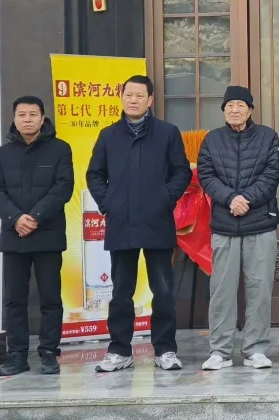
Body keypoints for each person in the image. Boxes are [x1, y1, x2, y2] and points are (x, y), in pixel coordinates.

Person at [86, 75, 192, 373]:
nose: (133, 100)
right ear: (121, 97)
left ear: (150, 100)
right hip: (121, 222)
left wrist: (165, 198)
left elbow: (181, 172)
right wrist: (109, 203)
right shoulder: (109, 135)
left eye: (139, 95)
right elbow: (94, 174)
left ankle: (165, 349)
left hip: (157, 221)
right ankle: (119, 351)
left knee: (163, 290)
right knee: (121, 291)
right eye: (128, 94)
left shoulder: (167, 133)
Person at [197, 86, 279, 371]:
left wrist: (246, 199)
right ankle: (220, 351)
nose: (235, 109)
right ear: (224, 110)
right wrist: (230, 199)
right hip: (224, 225)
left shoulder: (268, 137)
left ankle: (255, 349)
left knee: (259, 289)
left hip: (260, 223)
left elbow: (272, 174)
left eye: (240, 105)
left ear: (250, 109)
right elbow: (206, 174)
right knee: (221, 290)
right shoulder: (212, 139)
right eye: (230, 105)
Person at [0, 96, 74, 376]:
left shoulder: (60, 149)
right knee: (14, 299)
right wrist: (15, 218)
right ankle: (16, 354)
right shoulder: (3, 153)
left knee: (50, 298)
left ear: (42, 118)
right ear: (14, 119)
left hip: (47, 234)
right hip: (14, 235)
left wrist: (35, 216)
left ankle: (49, 351)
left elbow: (63, 188)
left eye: (32, 114)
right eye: (22, 114)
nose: (27, 119)